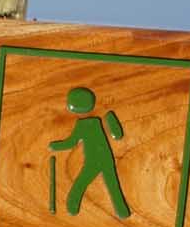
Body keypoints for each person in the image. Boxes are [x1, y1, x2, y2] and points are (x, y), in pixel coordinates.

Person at [48, 87, 131, 218]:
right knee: (112, 185)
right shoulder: (96, 122)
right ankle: (122, 211)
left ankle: (72, 207)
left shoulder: (83, 125)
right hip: (106, 157)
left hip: (94, 160)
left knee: (81, 183)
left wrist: (54, 146)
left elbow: (71, 142)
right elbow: (116, 134)